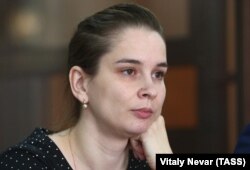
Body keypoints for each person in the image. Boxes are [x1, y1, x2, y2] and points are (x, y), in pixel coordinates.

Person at [0, 3, 172, 170]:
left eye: (158, 74)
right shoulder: (22, 163)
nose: (150, 90)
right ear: (80, 84)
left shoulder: (155, 156)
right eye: (128, 71)